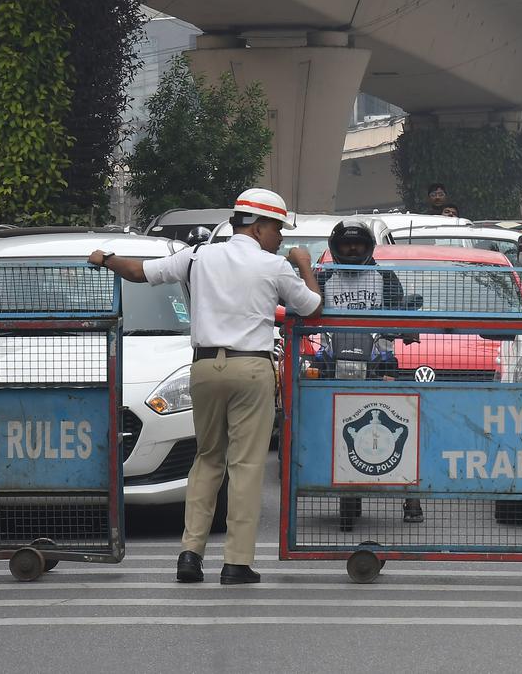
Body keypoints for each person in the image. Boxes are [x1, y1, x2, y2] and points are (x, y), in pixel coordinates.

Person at [88, 188, 322, 585]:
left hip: (204, 369)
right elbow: (312, 308)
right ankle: (236, 563)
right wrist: (303, 266)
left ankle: (190, 555)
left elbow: (139, 272)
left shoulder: (198, 256)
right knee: (246, 465)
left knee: (208, 458)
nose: (281, 236)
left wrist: (105, 258)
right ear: (260, 226)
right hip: (251, 368)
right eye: (278, 228)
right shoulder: (274, 265)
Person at [319, 221, 424, 525]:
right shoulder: (324, 277)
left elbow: (402, 311)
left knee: (402, 420)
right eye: (347, 245)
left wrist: (406, 328)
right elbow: (305, 308)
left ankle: (410, 497)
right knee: (310, 415)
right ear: (335, 248)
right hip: (332, 359)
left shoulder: (385, 278)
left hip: (378, 360)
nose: (352, 249)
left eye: (359, 245)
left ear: (369, 248)